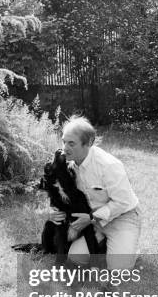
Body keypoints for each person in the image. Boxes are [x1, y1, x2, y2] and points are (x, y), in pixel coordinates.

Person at [49, 115, 141, 270]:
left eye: (71, 143)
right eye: (64, 141)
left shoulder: (108, 165)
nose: (65, 148)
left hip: (123, 217)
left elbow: (122, 202)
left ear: (89, 143)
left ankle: (130, 251)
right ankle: (107, 246)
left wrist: (92, 217)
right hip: (92, 222)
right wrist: (52, 210)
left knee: (118, 270)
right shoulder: (66, 163)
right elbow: (56, 189)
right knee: (75, 258)